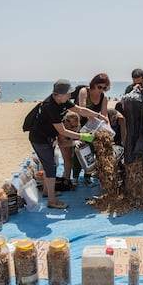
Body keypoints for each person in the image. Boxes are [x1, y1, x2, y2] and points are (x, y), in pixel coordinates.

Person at [29, 79, 107, 209]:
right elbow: (62, 131)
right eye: (68, 93)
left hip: (48, 137)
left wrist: (99, 116)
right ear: (59, 94)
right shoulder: (51, 107)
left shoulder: (62, 101)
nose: (70, 95)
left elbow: (80, 110)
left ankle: (47, 192)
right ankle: (52, 201)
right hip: (40, 139)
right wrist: (82, 136)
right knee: (51, 168)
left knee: (49, 165)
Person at [73, 73, 110, 187]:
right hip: (82, 125)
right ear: (93, 84)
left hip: (94, 126)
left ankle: (87, 176)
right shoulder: (84, 91)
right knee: (79, 151)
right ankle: (75, 177)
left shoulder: (103, 97)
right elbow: (82, 109)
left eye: (104, 88)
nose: (101, 90)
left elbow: (104, 114)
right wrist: (93, 117)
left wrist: (107, 127)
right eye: (99, 87)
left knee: (92, 152)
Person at [58, 111, 81, 185]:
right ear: (66, 123)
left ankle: (66, 176)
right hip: (57, 139)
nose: (74, 129)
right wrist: (74, 143)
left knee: (71, 157)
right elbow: (61, 144)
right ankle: (66, 179)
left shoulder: (75, 124)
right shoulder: (61, 126)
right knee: (67, 158)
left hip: (69, 136)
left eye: (76, 126)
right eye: (72, 127)